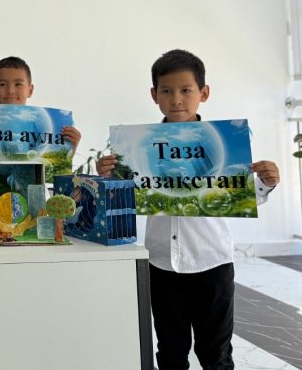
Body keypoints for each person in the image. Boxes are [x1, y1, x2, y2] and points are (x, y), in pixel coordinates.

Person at [97, 49, 280, 370]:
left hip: (212, 262)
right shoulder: (137, 147)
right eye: (166, 91)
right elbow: (125, 197)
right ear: (154, 95)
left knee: (216, 354)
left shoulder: (223, 144)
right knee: (170, 351)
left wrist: (265, 183)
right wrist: (108, 176)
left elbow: (234, 193)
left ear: (203, 93)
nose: (176, 100)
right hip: (161, 264)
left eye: (186, 90)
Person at [0, 55, 81, 153]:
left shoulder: (41, 125)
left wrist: (71, 149)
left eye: (18, 84)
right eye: (2, 84)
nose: (10, 91)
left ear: (30, 90)